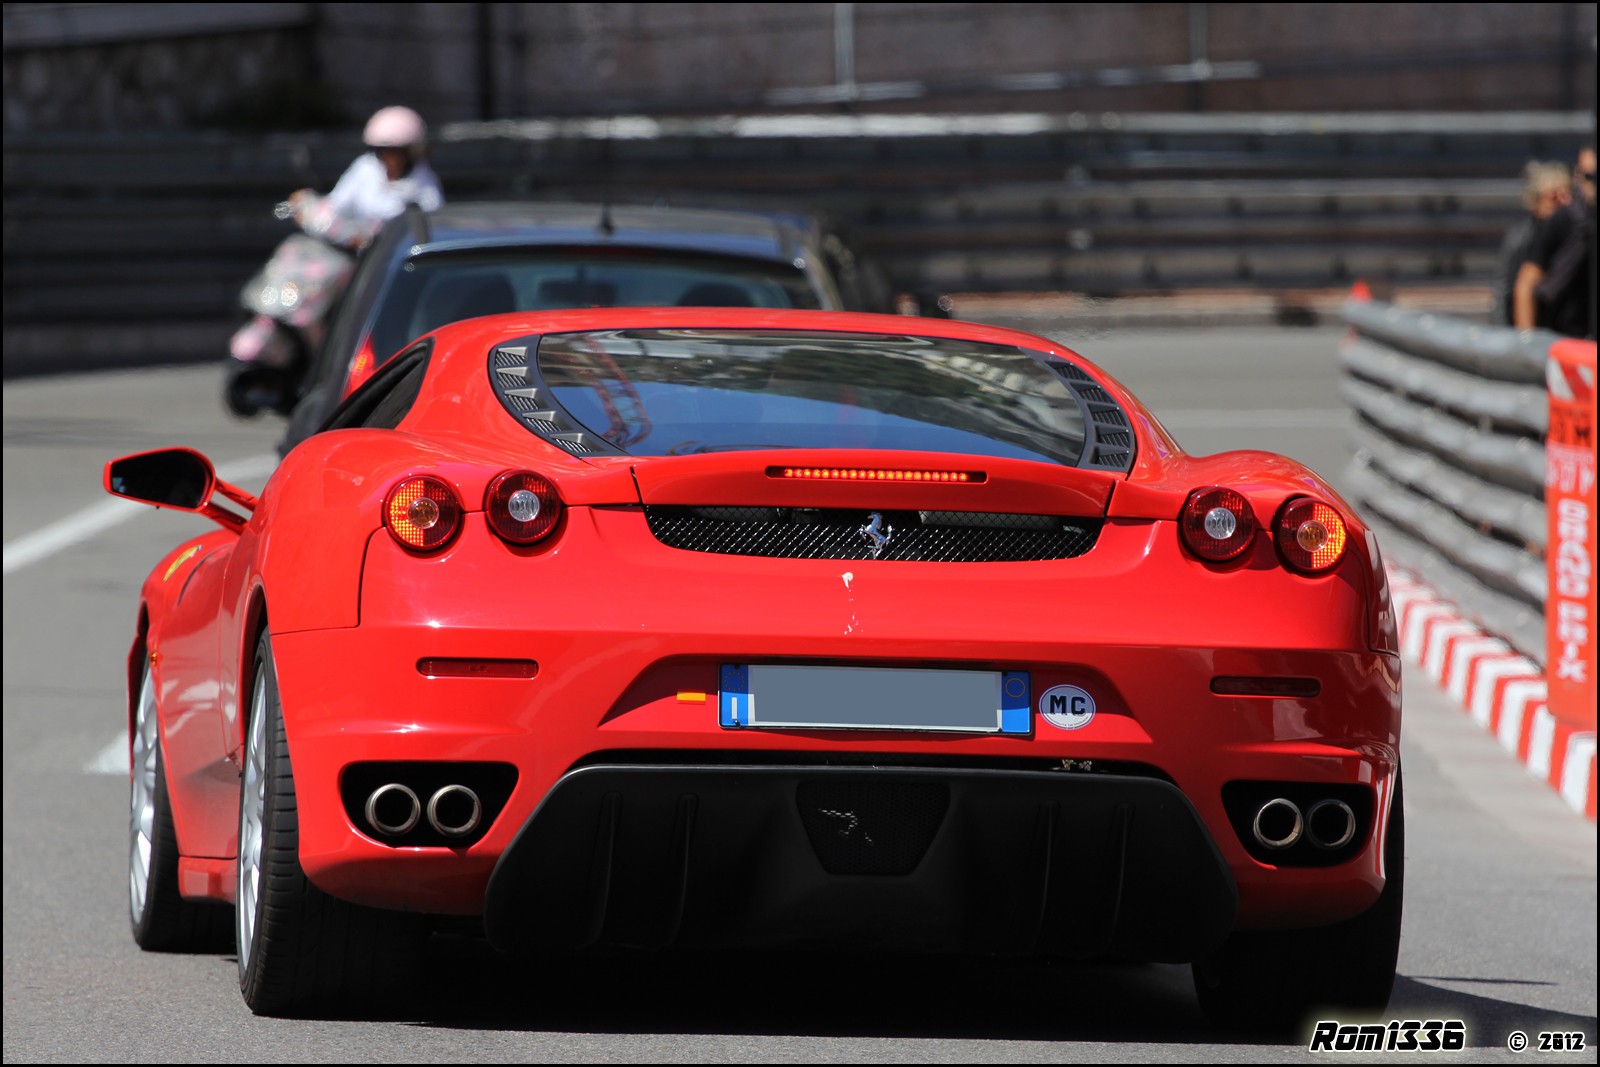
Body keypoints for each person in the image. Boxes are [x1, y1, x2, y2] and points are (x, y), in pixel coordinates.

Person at [288, 105, 445, 250]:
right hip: (359, 255)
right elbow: (337, 205)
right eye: (383, 152)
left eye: (396, 153)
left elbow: (432, 222)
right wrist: (309, 208)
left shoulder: (423, 180)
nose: (389, 159)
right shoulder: (366, 169)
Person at [1514, 144, 1596, 338]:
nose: (1562, 200)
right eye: (1590, 178)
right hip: (1565, 337)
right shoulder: (1561, 222)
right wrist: (1527, 342)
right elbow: (1520, 286)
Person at [1492, 161, 1569, 326]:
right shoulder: (1521, 238)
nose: (1564, 202)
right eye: (1554, 197)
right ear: (1536, 201)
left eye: (1567, 194)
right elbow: (1504, 291)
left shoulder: (1574, 234)